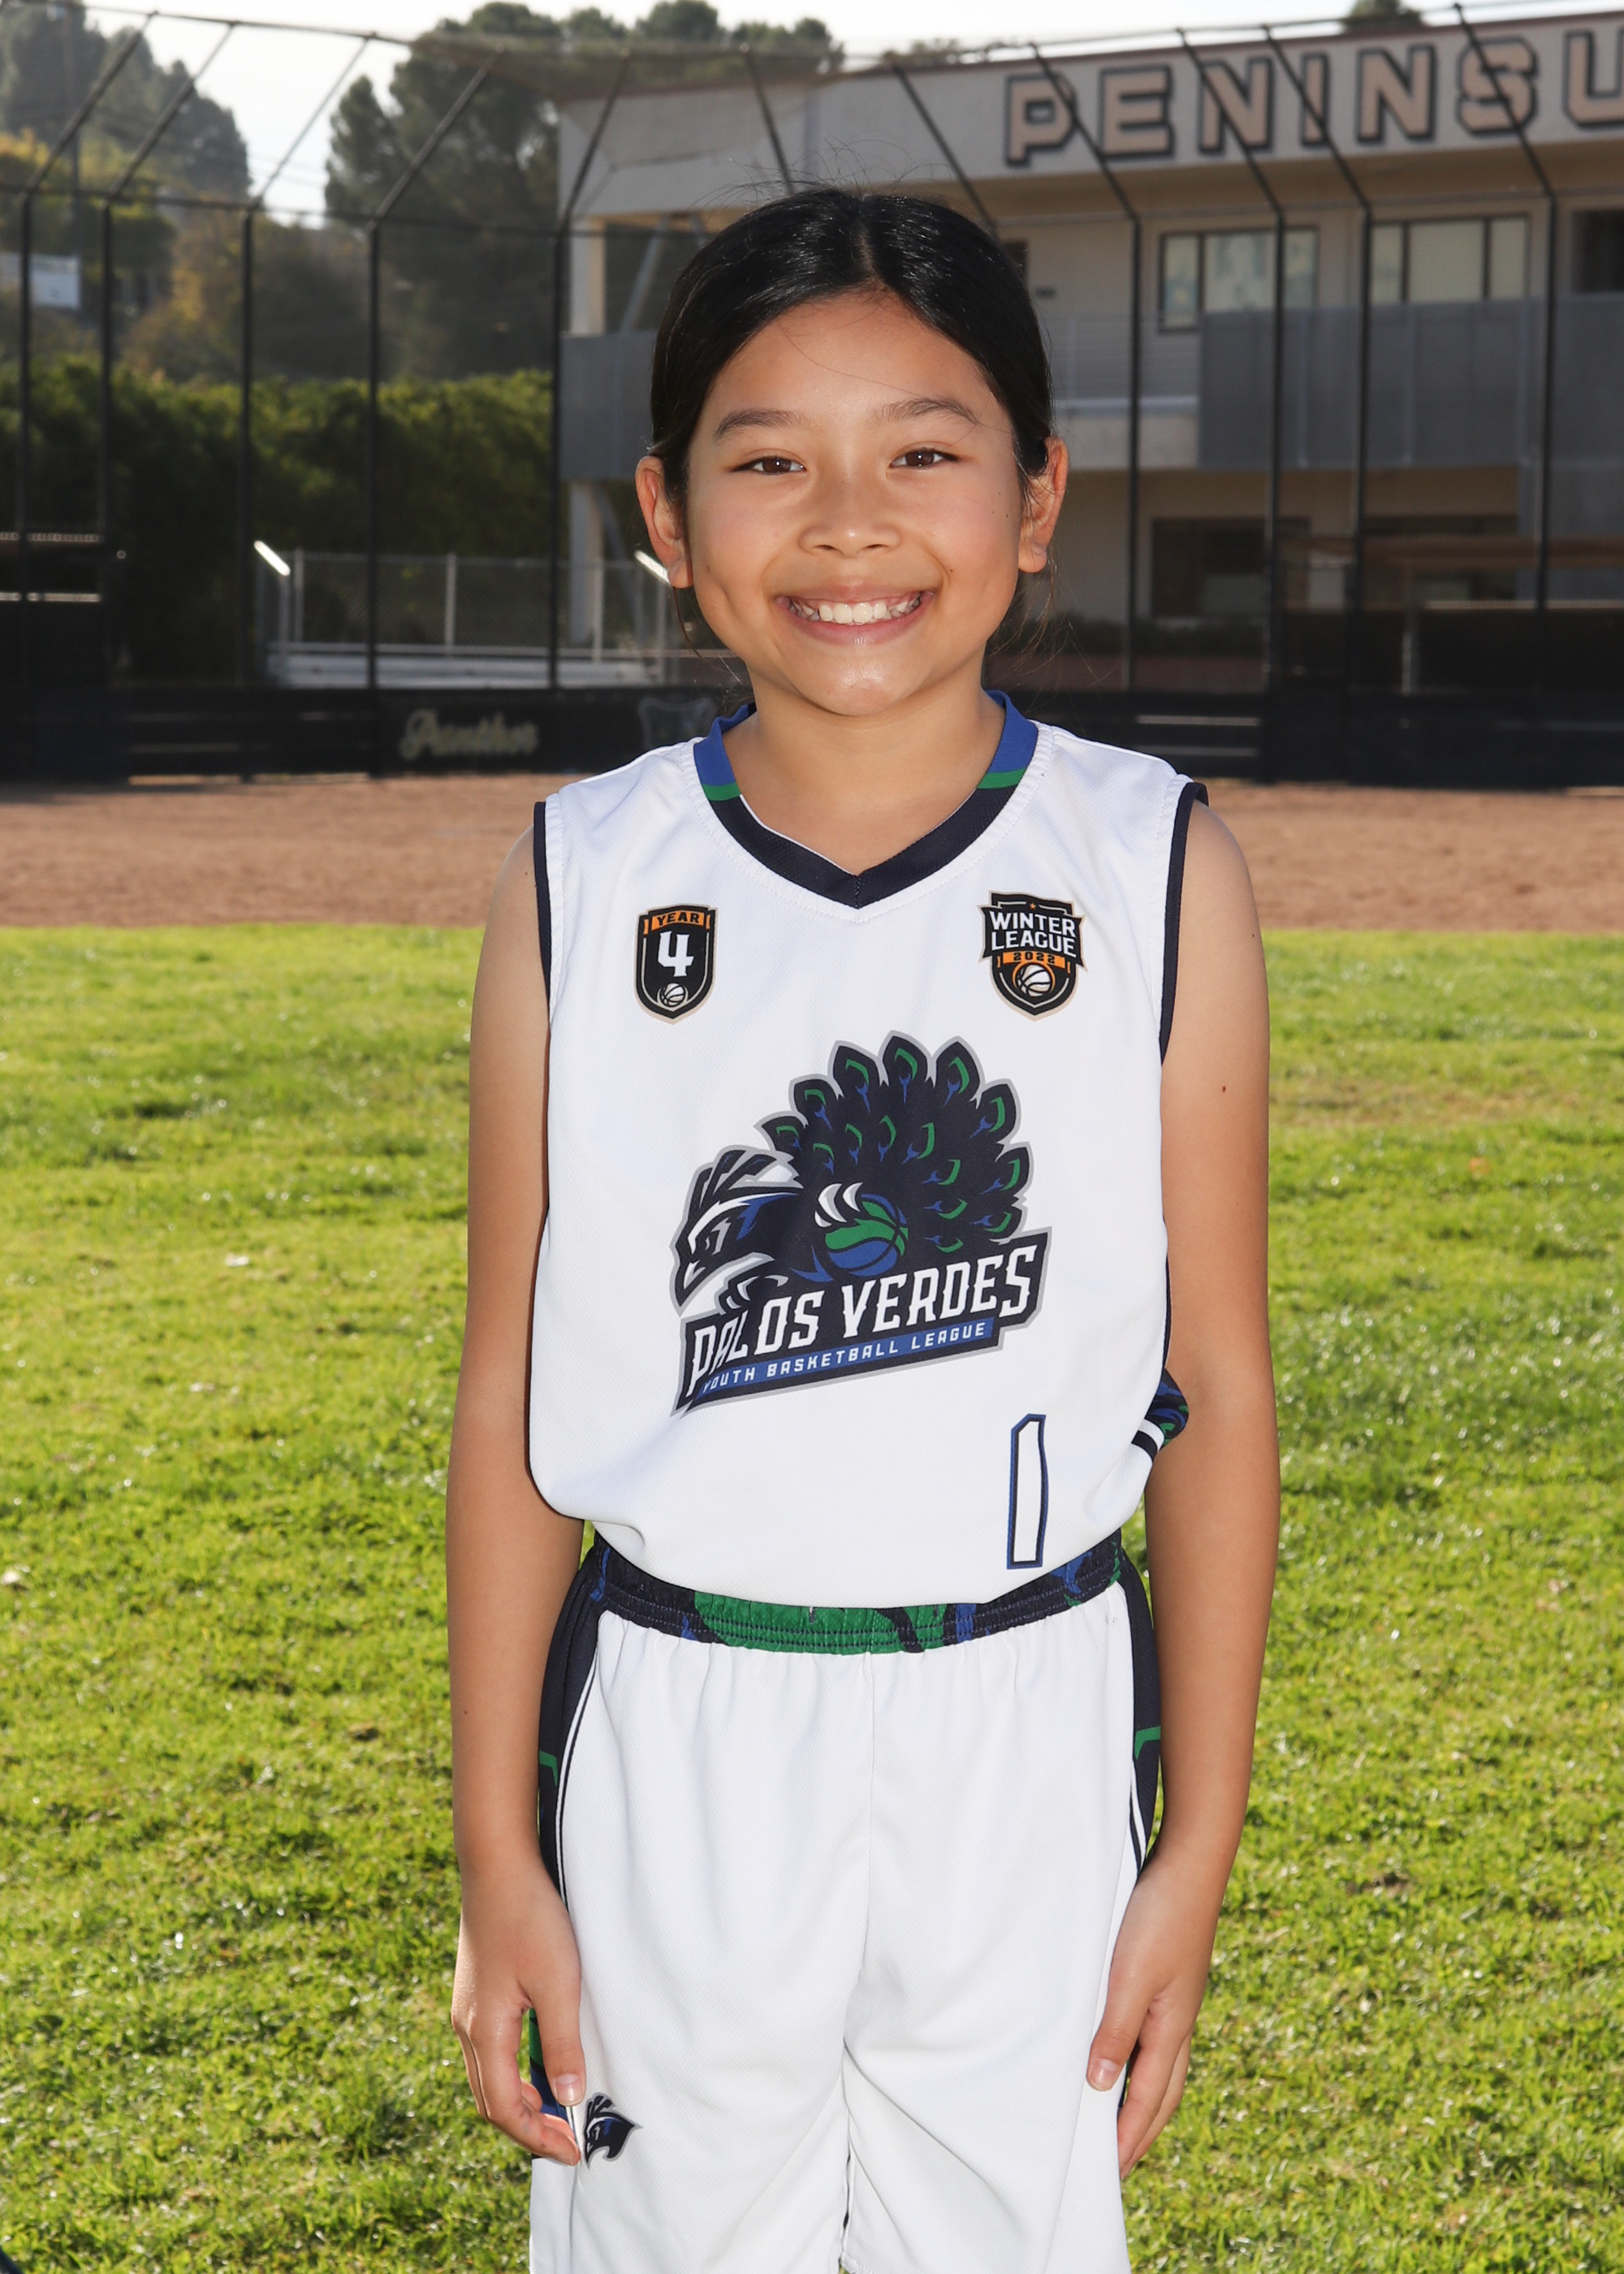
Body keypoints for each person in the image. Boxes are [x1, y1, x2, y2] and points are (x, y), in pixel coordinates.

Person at [446, 188, 1278, 2274]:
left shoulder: (1149, 860)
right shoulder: (581, 873)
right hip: (676, 1712)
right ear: (665, 513)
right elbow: (510, 1393)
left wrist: (1195, 1843)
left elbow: (1216, 1379)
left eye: (921, 450)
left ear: (1035, 497)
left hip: (1026, 1708)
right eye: (766, 461)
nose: (846, 524)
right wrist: (494, 1854)